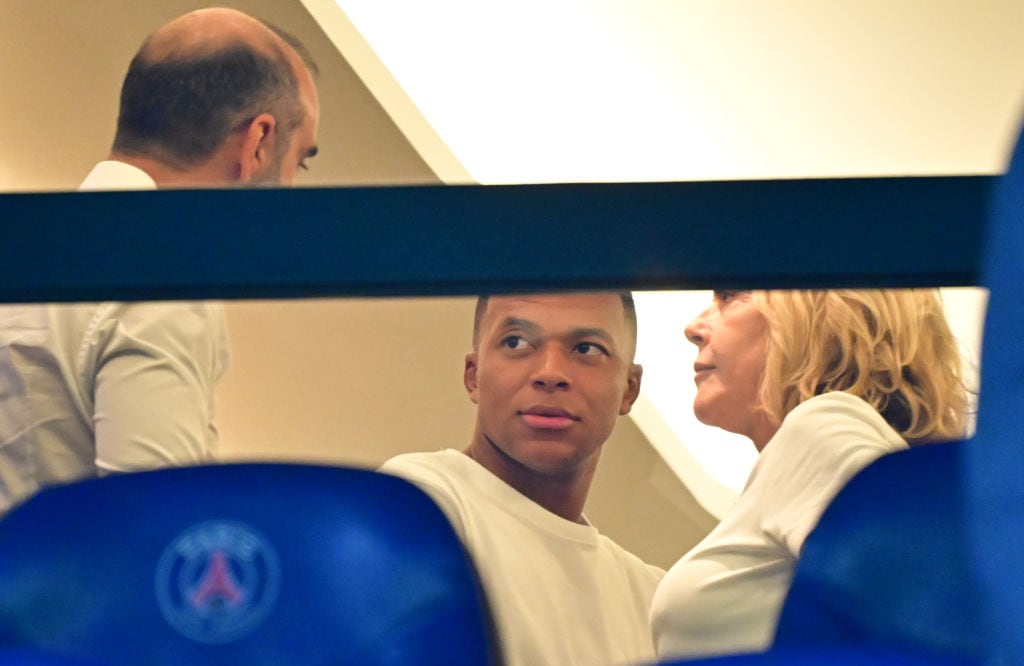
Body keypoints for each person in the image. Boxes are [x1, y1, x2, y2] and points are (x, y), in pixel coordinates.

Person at [0, 7, 321, 513]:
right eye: (298, 160)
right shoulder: (159, 285)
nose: (290, 190)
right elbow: (153, 537)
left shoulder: (28, 250)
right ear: (258, 143)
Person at [650, 289, 969, 660]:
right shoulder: (815, 449)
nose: (693, 328)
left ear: (821, 312)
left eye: (730, 295)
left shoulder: (823, 427)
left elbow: (928, 607)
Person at [380, 292, 664, 666]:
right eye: (516, 342)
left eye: (586, 349)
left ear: (629, 388)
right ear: (473, 375)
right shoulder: (423, 502)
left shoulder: (650, 596)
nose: (550, 373)